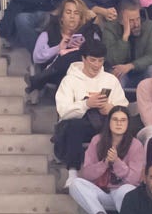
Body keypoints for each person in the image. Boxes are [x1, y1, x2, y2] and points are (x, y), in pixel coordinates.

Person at [53, 41, 128, 172]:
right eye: (92, 60)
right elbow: (63, 111)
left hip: (105, 124)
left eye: (100, 61)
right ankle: (72, 173)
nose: (97, 65)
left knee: (122, 124)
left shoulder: (110, 80)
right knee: (73, 127)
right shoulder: (70, 80)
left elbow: (124, 108)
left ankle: (119, 171)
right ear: (83, 59)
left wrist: (111, 109)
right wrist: (86, 104)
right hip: (80, 125)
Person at [69, 107, 143, 214]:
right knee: (75, 184)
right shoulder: (97, 140)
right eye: (115, 120)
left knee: (126, 189)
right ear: (109, 122)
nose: (119, 123)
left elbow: (134, 179)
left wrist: (117, 162)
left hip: (124, 195)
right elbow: (86, 173)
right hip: (103, 193)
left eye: (123, 120)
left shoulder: (135, 145)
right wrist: (105, 163)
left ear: (128, 123)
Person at [104, 3, 152, 88]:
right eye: (131, 21)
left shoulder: (150, 26)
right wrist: (125, 37)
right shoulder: (110, 29)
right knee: (116, 72)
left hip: (142, 69)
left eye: (137, 19)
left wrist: (131, 66)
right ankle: (118, 101)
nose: (136, 24)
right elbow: (113, 60)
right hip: (122, 72)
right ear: (121, 21)